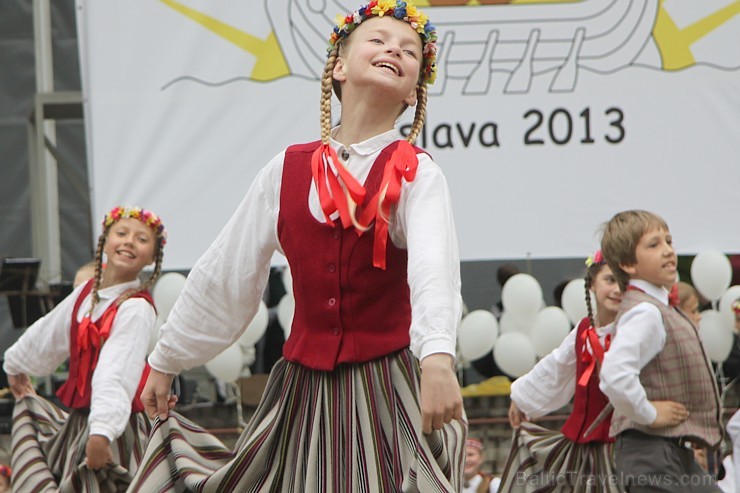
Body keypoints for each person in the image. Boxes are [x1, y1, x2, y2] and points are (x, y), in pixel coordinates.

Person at [129, 2, 466, 492]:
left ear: (414, 92)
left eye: (409, 49)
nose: (393, 48)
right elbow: (228, 271)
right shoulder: (285, 170)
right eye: (377, 39)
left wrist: (437, 356)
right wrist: (167, 358)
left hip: (387, 389)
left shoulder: (418, 173)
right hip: (301, 392)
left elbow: (434, 269)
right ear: (340, 67)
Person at [3, 206, 166, 492]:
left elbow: (116, 371)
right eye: (122, 233)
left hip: (117, 428)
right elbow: (49, 331)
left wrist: (102, 433)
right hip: (81, 424)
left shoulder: (136, 309)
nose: (129, 241)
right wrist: (16, 365)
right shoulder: (87, 292)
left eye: (142, 239)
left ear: (152, 257)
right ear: (105, 240)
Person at [599, 209, 723, 492]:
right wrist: (649, 413)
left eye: (669, 241)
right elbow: (615, 375)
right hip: (650, 455)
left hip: (672, 453)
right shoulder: (645, 312)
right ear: (628, 263)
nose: (668, 251)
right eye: (654, 245)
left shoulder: (659, 308)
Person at [498, 250, 622, 492]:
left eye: (623, 282)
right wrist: (522, 397)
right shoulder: (584, 329)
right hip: (582, 448)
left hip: (624, 447)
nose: (617, 289)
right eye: (610, 280)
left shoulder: (634, 328)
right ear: (593, 285)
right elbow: (557, 365)